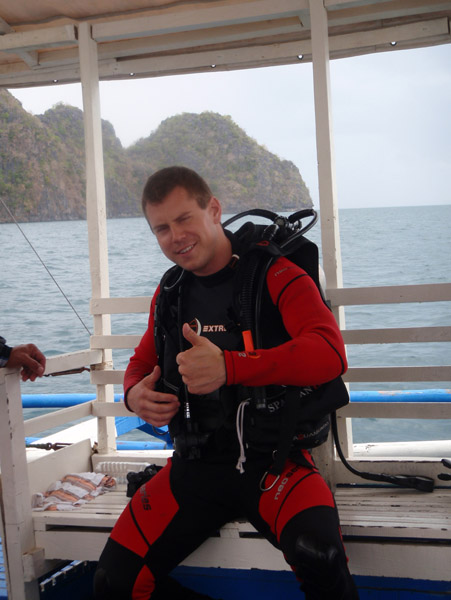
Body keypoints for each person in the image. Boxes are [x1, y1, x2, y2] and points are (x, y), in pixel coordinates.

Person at [94, 166, 359, 600]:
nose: (175, 236)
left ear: (214, 210)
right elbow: (140, 365)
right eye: (161, 228)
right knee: (112, 584)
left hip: (275, 465)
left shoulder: (274, 275)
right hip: (194, 468)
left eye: (184, 219)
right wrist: (133, 394)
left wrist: (231, 367)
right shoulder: (171, 293)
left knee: (320, 555)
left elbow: (330, 353)